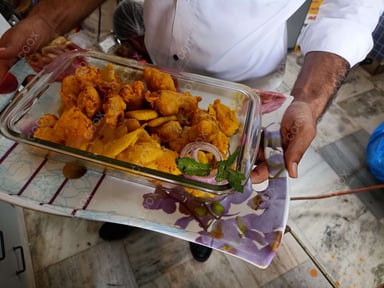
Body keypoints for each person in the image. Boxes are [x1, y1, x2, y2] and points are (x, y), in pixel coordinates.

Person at [0, 0, 383, 262]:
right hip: (156, 63)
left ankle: (203, 234)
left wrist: (309, 100)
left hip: (243, 82)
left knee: (214, 181)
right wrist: (45, 22)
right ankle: (128, 218)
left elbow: (353, 7)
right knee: (131, 177)